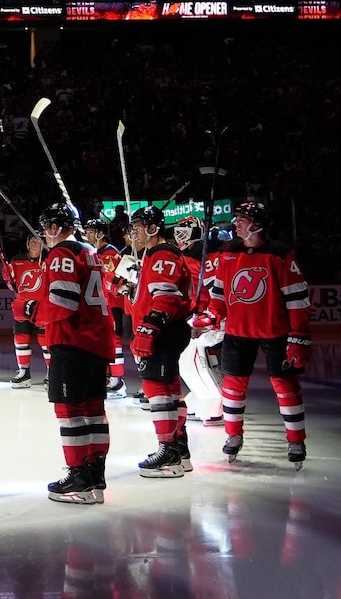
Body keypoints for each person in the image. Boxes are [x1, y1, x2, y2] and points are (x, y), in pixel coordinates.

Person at [202, 200, 312, 468]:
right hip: (238, 332)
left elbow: (298, 299)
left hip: (276, 332)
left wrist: (298, 336)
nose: (236, 223)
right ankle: (232, 436)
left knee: (285, 386)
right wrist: (212, 316)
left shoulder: (281, 254)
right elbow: (219, 293)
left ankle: (296, 439)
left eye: (242, 218)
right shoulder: (228, 252)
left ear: (257, 224)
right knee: (232, 387)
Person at [22, 202, 116, 504]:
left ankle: (78, 478)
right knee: (94, 410)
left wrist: (29, 309)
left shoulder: (62, 253)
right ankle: (94, 475)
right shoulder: (90, 251)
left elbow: (63, 302)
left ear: (54, 227)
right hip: (97, 341)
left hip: (73, 341)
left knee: (70, 411)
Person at [125, 206, 197, 477]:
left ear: (153, 228)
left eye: (138, 227)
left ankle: (168, 453)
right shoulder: (155, 254)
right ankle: (180, 450)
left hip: (163, 332)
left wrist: (147, 329)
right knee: (171, 390)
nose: (134, 233)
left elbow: (167, 297)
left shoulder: (162, 253)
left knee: (158, 390)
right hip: (169, 330)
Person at [174, 216, 225, 425]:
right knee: (187, 361)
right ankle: (203, 397)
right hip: (200, 316)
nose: (179, 235)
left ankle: (215, 402)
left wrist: (209, 317)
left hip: (208, 317)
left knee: (194, 360)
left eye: (184, 231)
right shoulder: (192, 255)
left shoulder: (203, 257)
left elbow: (214, 289)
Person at [83, 219, 129, 398]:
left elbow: (116, 280)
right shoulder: (95, 252)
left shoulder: (109, 253)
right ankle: (109, 378)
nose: (87, 235)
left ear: (100, 234)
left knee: (114, 342)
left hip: (112, 305)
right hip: (100, 305)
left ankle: (118, 382)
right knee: (102, 342)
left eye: (91, 232)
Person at [4, 233, 48, 388]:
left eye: (39, 242)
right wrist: (8, 278)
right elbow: (12, 285)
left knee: (45, 341)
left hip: (42, 307)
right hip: (22, 306)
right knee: (20, 339)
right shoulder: (17, 259)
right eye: (33, 242)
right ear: (28, 243)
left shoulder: (49, 261)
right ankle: (24, 372)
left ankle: (51, 373)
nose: (35, 245)